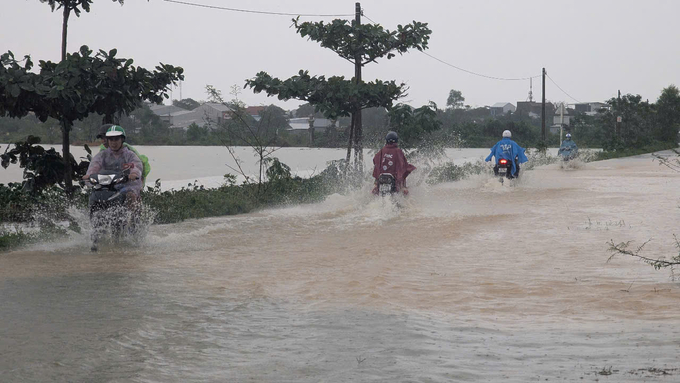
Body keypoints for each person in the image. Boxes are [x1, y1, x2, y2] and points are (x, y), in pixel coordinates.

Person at [84, 125, 143, 208]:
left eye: (116, 139)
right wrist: (90, 175)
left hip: (126, 185)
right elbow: (95, 165)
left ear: (122, 139)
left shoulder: (130, 155)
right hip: (107, 185)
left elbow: (136, 166)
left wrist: (134, 174)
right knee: (94, 195)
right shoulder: (102, 155)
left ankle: (130, 219)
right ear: (108, 140)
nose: (113, 142)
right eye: (111, 139)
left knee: (131, 196)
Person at [372, 131, 416, 195]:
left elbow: (375, 161)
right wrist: (412, 168)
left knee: (375, 189)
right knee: (405, 192)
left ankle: (376, 186)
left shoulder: (382, 151)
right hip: (394, 179)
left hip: (381, 179)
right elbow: (403, 165)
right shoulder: (398, 151)